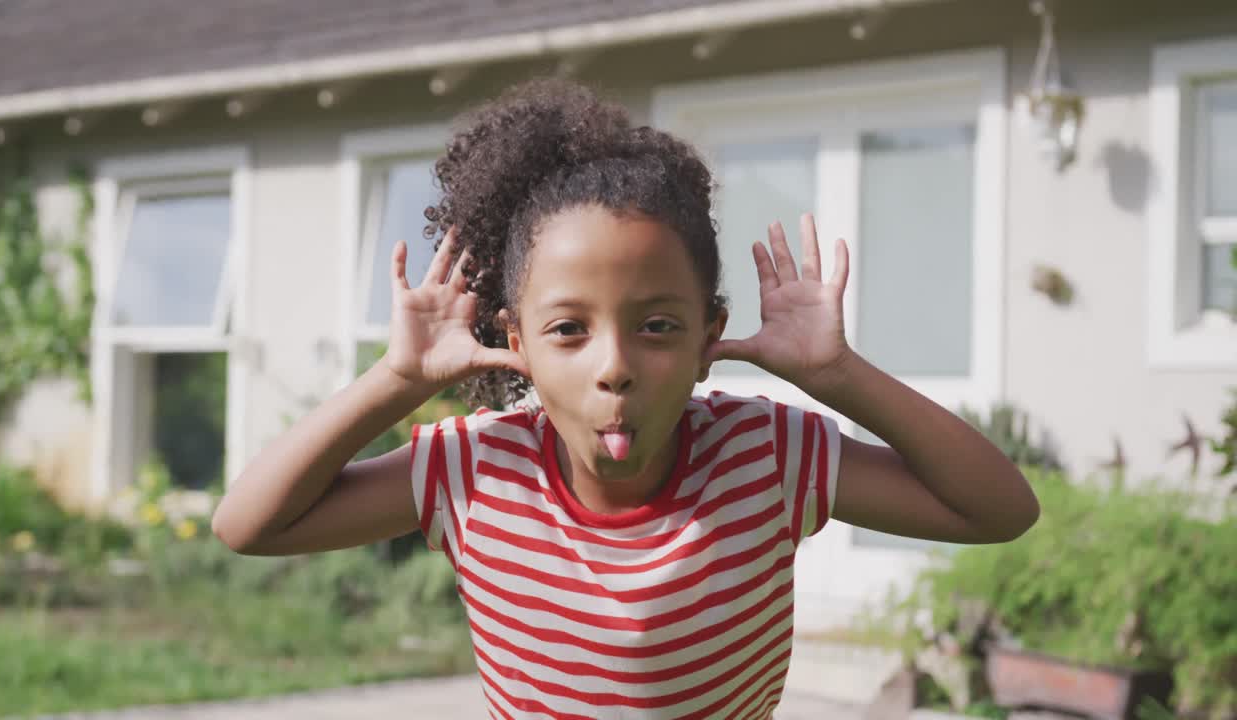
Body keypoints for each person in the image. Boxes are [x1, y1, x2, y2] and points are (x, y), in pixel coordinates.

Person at [212, 77, 1039, 718]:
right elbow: (247, 525)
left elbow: (1000, 510)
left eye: (657, 326)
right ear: (517, 342)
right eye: (569, 330)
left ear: (709, 337)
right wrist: (394, 381)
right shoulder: (473, 470)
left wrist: (839, 377)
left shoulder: (768, 458)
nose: (615, 367)